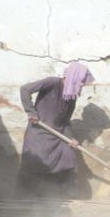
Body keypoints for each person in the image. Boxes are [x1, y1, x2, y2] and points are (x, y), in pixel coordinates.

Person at [17, 61, 94, 196]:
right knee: (34, 163)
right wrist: (31, 112)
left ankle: (58, 195)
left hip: (57, 136)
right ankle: (25, 196)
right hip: (38, 133)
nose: (81, 85)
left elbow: (65, 121)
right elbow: (25, 89)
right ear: (72, 78)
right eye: (80, 82)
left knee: (69, 157)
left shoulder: (71, 97)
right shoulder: (52, 82)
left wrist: (71, 139)